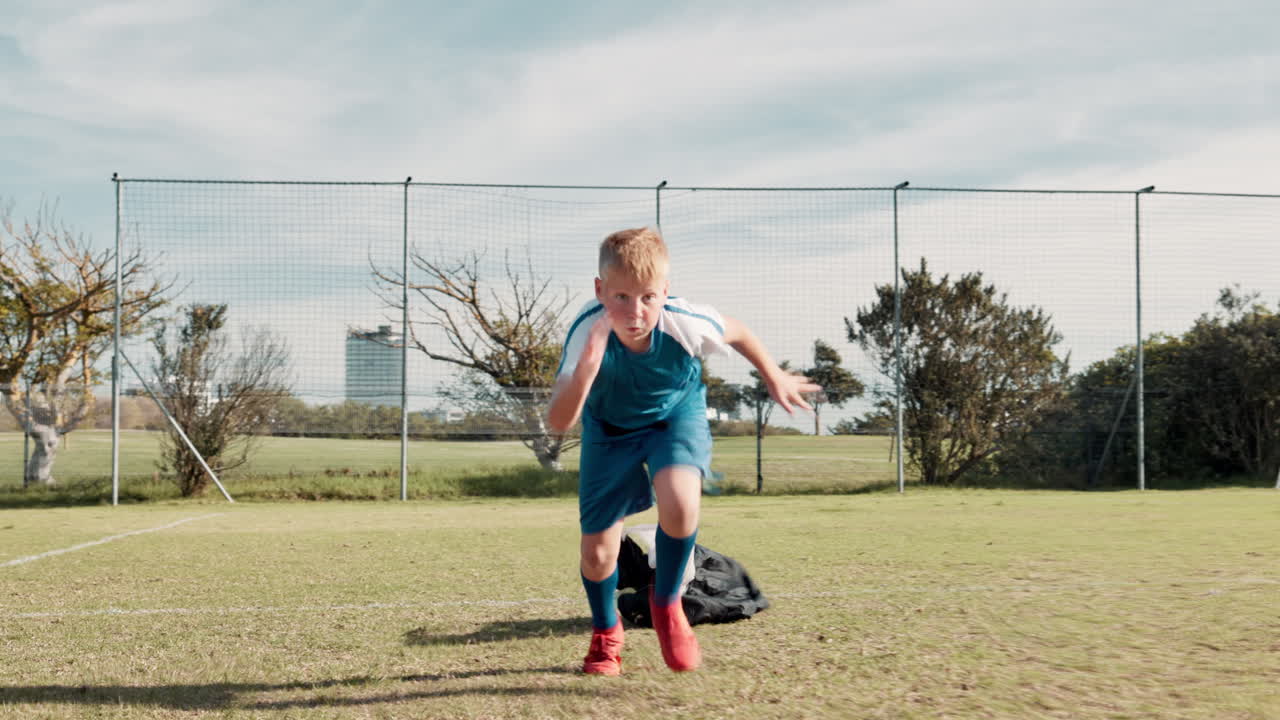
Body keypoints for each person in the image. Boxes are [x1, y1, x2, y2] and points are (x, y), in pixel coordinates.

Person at [546, 227, 819, 675]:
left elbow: (739, 331)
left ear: (665, 291)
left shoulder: (684, 320)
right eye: (620, 297)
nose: (636, 312)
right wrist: (586, 372)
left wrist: (775, 376)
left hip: (673, 417)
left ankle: (668, 605)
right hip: (609, 430)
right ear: (599, 290)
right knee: (598, 554)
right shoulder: (585, 332)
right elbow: (559, 422)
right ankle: (605, 634)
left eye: (648, 297)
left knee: (681, 501)